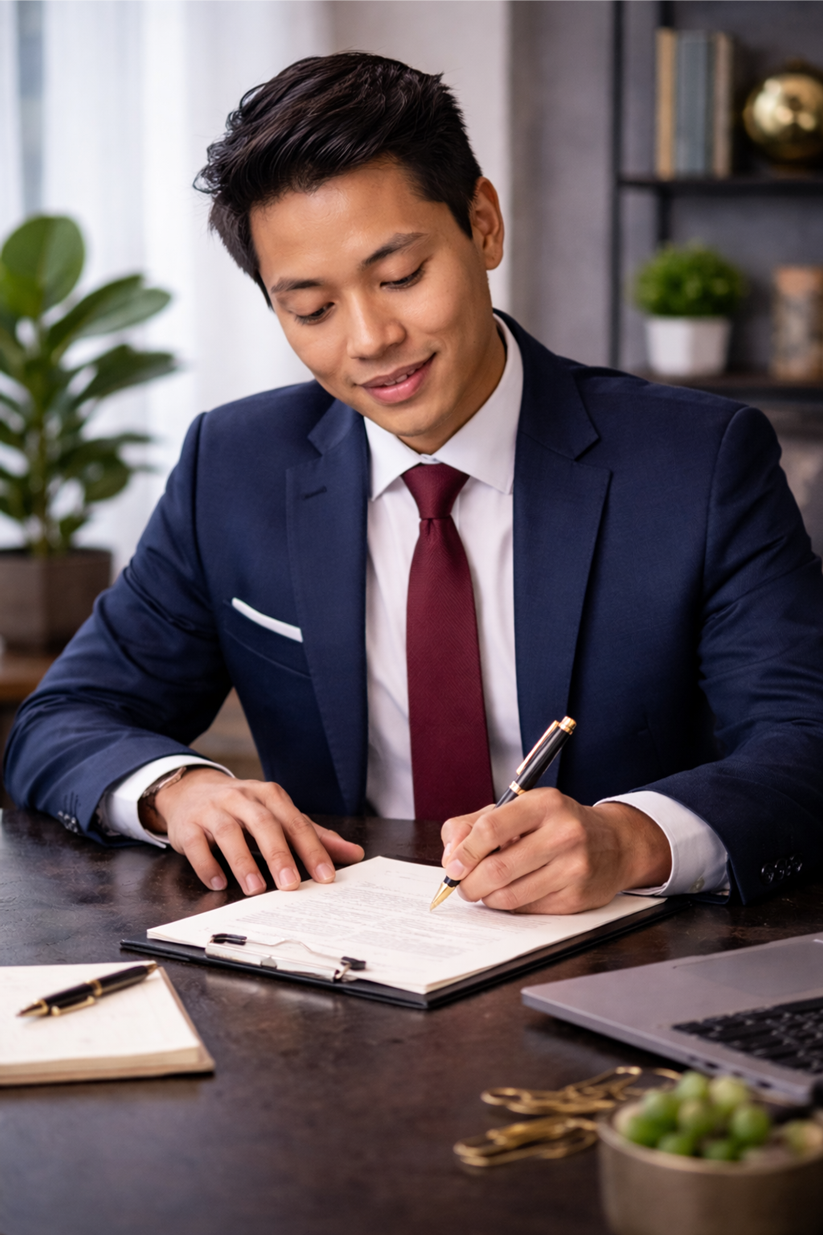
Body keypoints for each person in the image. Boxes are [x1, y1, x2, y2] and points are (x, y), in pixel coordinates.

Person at [6, 53, 823, 914]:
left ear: (482, 223)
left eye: (399, 276)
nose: (368, 338)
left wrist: (632, 837)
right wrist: (181, 789)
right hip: (341, 966)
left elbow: (804, 741)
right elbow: (65, 718)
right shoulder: (235, 464)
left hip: (617, 959)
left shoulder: (696, 460)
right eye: (311, 308)